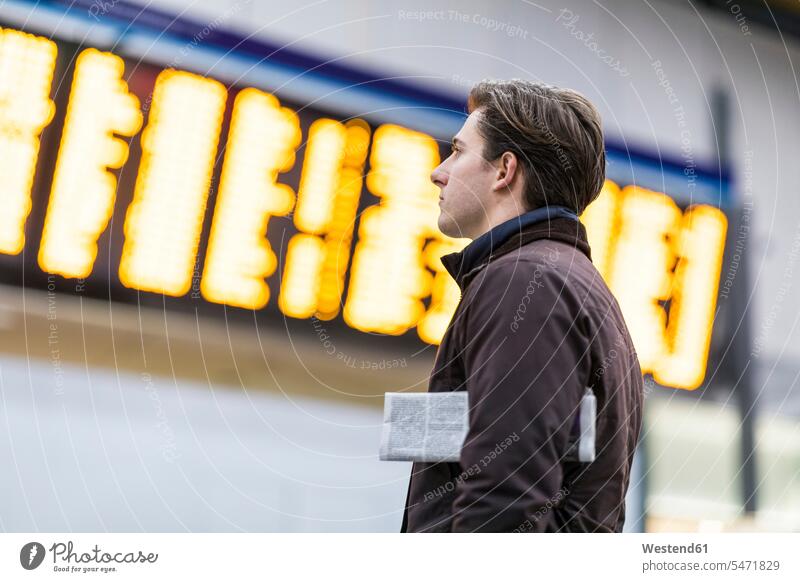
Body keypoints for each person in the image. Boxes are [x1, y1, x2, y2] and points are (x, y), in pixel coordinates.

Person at [400, 79, 644, 532]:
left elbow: (504, 502)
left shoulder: (526, 283)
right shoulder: (570, 282)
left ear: (504, 170)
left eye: (457, 151)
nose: (439, 171)